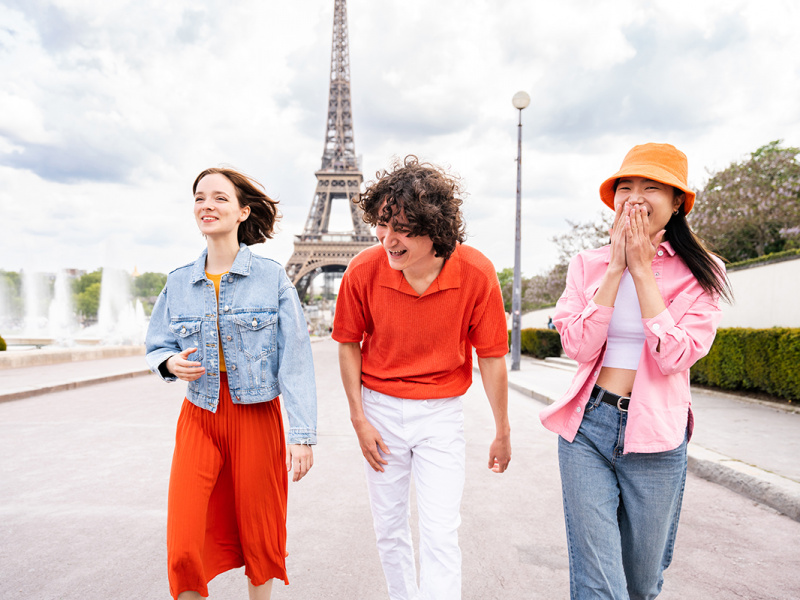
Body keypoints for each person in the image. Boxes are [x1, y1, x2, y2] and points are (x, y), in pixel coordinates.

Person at [540, 143, 731, 599]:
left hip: (657, 435)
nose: (635, 196)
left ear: (678, 202)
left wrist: (643, 272)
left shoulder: (703, 273)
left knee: (641, 583)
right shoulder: (587, 265)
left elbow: (676, 356)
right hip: (588, 427)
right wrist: (615, 269)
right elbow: (577, 346)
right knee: (598, 581)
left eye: (651, 187)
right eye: (625, 186)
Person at [333, 156, 511, 600]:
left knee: (440, 531)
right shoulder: (362, 270)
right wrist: (359, 418)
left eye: (402, 230)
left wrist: (502, 430)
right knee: (389, 530)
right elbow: (348, 344)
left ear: (436, 229)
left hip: (440, 414)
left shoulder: (475, 272)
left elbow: (490, 358)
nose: (387, 240)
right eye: (382, 224)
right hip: (380, 409)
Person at [145, 167, 317, 600]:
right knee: (183, 543)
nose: (207, 205)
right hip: (199, 415)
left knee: (260, 537)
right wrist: (168, 362)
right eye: (200, 197)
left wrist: (301, 435)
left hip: (257, 416)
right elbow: (157, 344)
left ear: (243, 211)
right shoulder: (178, 281)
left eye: (220, 198)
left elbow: (295, 360)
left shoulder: (273, 277)